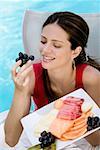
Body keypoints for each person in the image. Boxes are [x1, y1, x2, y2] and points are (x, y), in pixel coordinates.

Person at [4, 11, 100, 149]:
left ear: (75, 52)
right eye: (43, 41)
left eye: (56, 45)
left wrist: (75, 114)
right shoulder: (32, 76)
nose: (45, 50)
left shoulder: (91, 78)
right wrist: (20, 90)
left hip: (81, 140)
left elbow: (97, 140)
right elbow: (11, 139)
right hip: (44, 137)